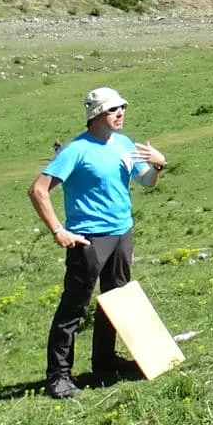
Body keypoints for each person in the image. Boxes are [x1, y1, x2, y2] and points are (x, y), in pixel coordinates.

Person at [29, 87, 168, 399]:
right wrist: (57, 230)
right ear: (96, 115)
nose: (120, 113)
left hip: (121, 233)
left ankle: (105, 363)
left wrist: (158, 164)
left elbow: (145, 181)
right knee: (74, 307)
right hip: (88, 238)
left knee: (117, 301)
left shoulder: (123, 143)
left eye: (122, 108)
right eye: (112, 110)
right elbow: (38, 190)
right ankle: (58, 377)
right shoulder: (76, 151)